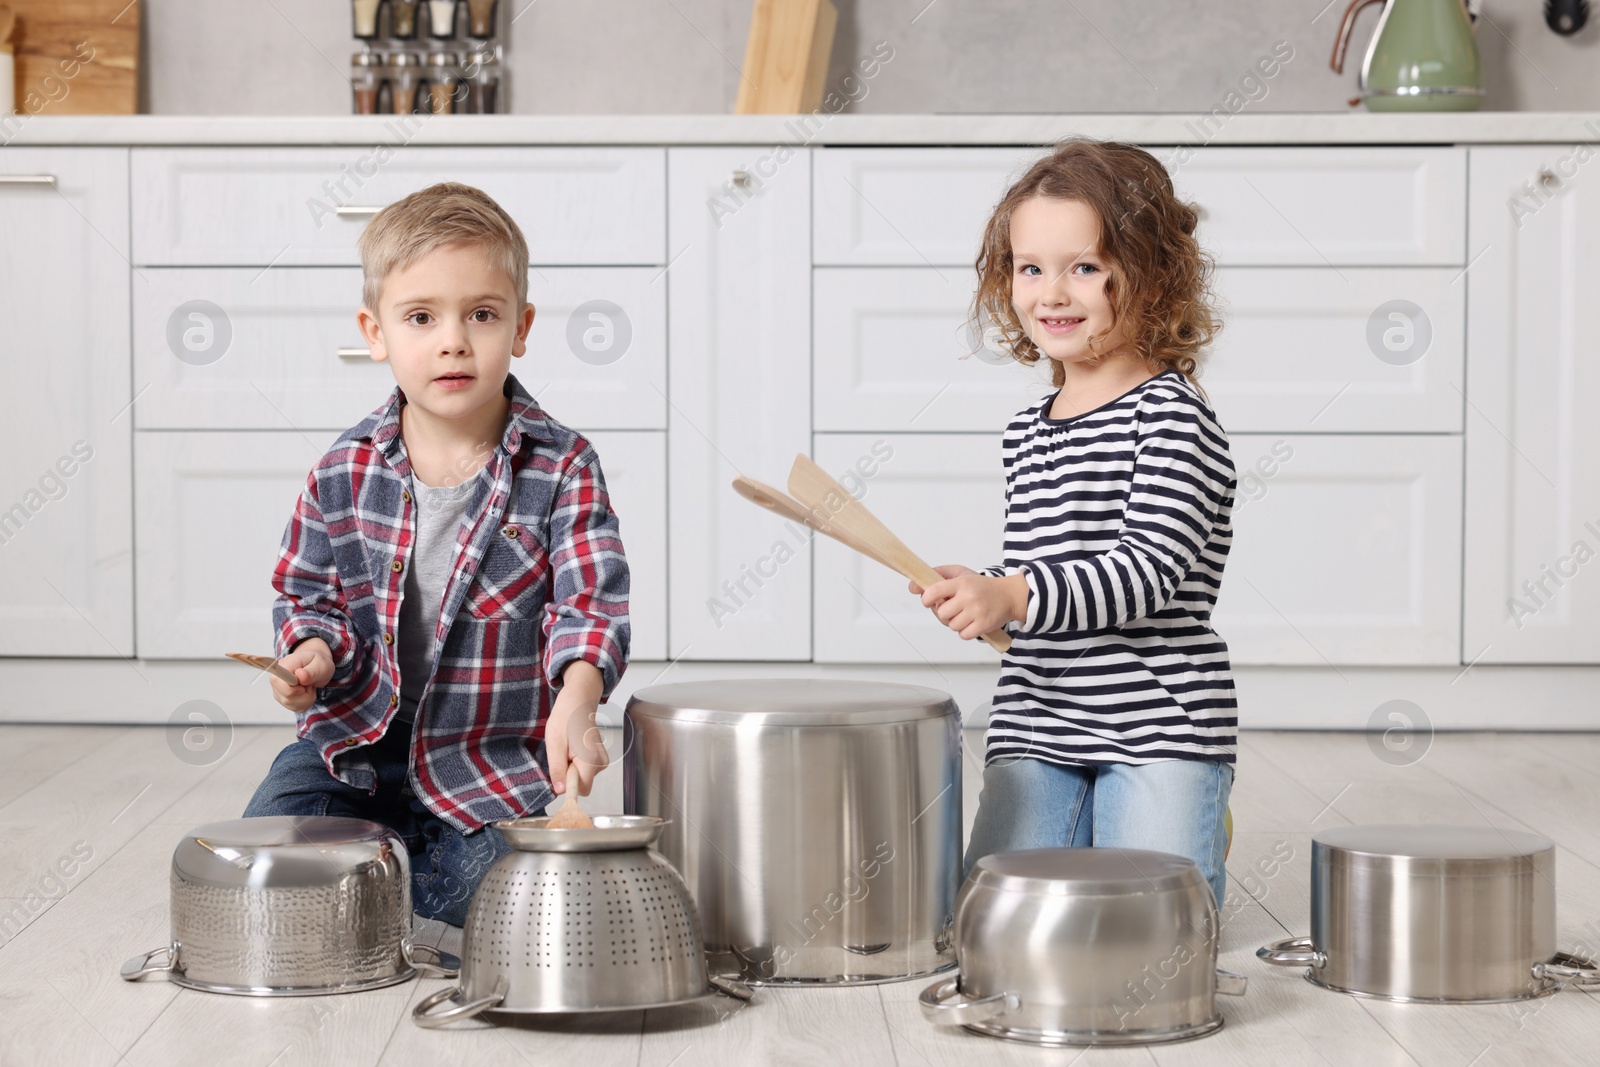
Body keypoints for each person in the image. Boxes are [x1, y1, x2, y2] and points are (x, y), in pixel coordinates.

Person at [242, 182, 630, 926]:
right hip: (350, 750)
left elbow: (590, 606)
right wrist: (309, 653)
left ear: (521, 326)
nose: (453, 339)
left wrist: (577, 701)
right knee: (265, 865)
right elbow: (308, 595)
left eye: (481, 314)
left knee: (515, 907)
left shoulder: (563, 466)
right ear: (375, 331)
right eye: (421, 316)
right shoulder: (343, 469)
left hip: (485, 766)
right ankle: (377, 874)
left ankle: (386, 888)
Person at [912, 138, 1237, 905]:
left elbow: (1147, 573)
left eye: (1084, 267)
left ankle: (1192, 810)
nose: (1052, 293)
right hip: (1039, 714)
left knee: (1155, 921)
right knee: (990, 917)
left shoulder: (1172, 419)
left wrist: (1018, 594)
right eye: (1031, 268)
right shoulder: (1028, 429)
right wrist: (989, 588)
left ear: (1152, 276)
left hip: (1159, 722)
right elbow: (1051, 565)